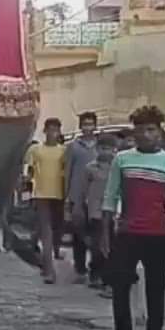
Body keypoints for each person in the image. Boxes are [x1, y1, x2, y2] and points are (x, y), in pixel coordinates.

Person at [101, 105, 165, 330]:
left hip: (158, 236)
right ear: (134, 134)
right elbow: (110, 198)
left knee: (155, 295)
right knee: (120, 294)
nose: (146, 135)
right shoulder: (122, 159)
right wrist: (105, 235)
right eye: (140, 130)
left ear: (160, 133)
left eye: (151, 130)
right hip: (126, 235)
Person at [25, 118, 67, 284]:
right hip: (41, 194)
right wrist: (26, 188)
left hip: (60, 194)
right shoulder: (36, 150)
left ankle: (46, 255)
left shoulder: (64, 151)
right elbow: (28, 171)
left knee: (57, 230)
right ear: (45, 131)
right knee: (46, 232)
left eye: (56, 130)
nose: (53, 133)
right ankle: (49, 270)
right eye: (50, 130)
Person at [64, 111, 99, 285]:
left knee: (96, 234)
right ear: (80, 126)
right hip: (76, 195)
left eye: (90, 124)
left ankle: (95, 269)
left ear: (95, 126)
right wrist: (66, 196)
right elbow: (68, 171)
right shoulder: (73, 147)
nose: (87, 127)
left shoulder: (100, 147)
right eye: (84, 124)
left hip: (95, 196)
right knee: (79, 234)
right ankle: (80, 268)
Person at [78, 133, 117, 290]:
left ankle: (108, 276)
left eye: (108, 149)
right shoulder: (90, 168)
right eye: (102, 148)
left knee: (112, 246)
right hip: (95, 211)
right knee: (97, 246)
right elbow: (84, 190)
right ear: (97, 149)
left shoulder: (118, 167)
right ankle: (95, 273)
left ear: (114, 150)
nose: (105, 152)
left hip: (113, 211)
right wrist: (80, 206)